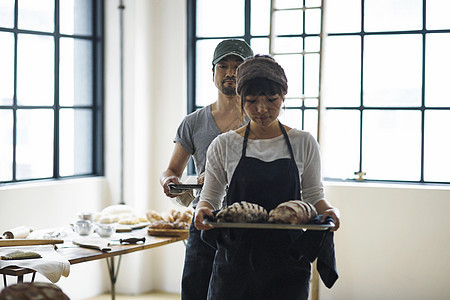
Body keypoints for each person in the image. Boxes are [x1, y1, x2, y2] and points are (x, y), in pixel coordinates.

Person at [194, 55, 341, 300]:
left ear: (284, 95)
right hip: (236, 261)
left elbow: (315, 197)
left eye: (271, 100)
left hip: (288, 261)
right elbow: (209, 198)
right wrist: (203, 211)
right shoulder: (224, 145)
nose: (261, 109)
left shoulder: (303, 142)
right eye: (251, 101)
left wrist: (332, 211)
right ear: (240, 99)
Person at [160, 39, 254, 300]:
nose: (230, 72)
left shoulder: (261, 121)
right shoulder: (193, 122)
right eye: (222, 66)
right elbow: (170, 170)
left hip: (248, 221)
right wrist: (170, 182)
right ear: (212, 73)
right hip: (205, 218)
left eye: (238, 66)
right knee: (195, 290)